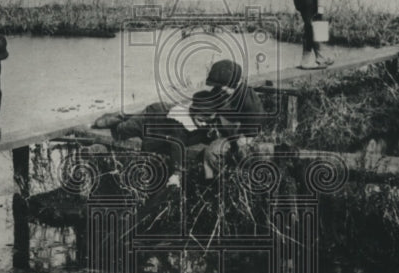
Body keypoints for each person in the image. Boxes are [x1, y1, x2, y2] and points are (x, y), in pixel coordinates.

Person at [91, 59, 272, 184]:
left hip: (218, 132)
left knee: (151, 119)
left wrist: (239, 135)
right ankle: (122, 117)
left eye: (223, 87)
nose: (220, 90)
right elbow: (203, 105)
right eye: (218, 87)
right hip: (180, 119)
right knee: (142, 119)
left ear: (235, 83)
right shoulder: (221, 93)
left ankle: (126, 117)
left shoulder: (250, 102)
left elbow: (252, 129)